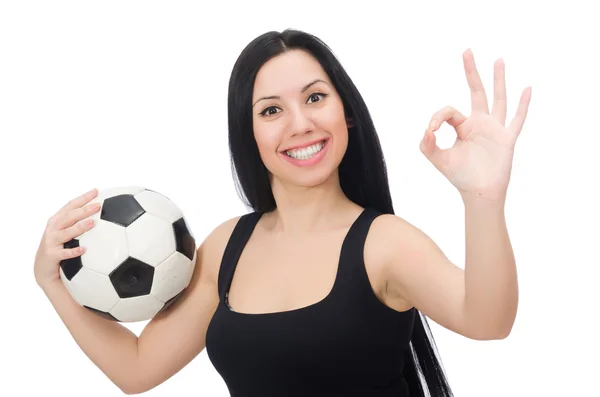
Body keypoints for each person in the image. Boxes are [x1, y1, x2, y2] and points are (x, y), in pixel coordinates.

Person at [34, 29, 531, 396]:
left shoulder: (385, 244)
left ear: (346, 112)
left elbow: (487, 320)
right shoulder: (228, 247)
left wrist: (482, 199)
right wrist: (53, 284)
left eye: (315, 98)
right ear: (248, 131)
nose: (300, 124)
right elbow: (137, 368)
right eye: (271, 110)